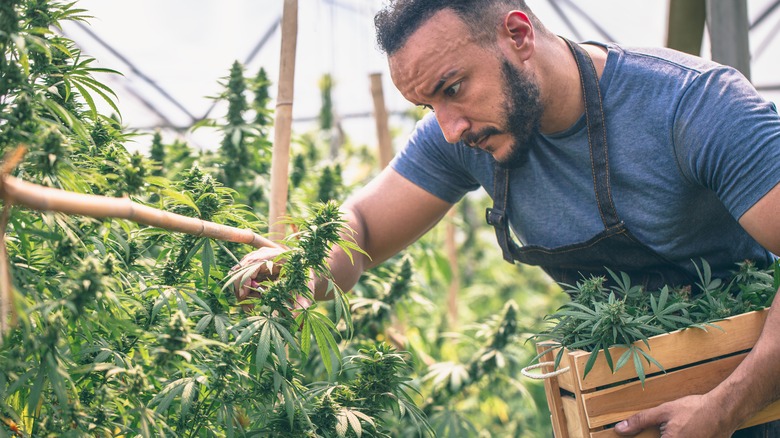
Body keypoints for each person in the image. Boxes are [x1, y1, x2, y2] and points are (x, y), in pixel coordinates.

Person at [234, 1, 780, 436]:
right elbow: (365, 225)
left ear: (518, 36)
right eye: (429, 107)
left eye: (453, 89)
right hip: (627, 395)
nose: (449, 128)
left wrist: (725, 409)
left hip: (761, 389)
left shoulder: (693, 106)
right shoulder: (466, 135)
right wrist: (304, 264)